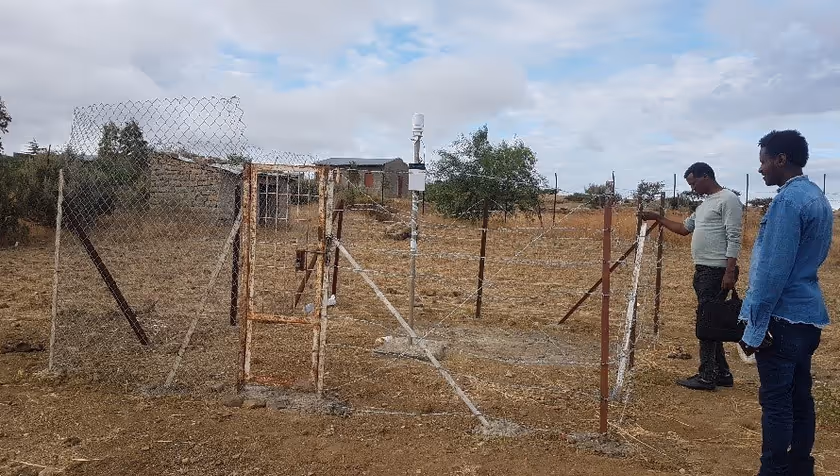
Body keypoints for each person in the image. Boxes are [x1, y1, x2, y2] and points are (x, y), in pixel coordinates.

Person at [738, 129, 833, 476]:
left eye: (763, 161)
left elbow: (772, 271)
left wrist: (755, 326)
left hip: (781, 319)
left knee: (777, 404)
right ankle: (800, 467)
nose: (760, 169)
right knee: (800, 400)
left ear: (780, 160)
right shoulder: (817, 198)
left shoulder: (788, 202)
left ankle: (774, 470)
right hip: (806, 317)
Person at [639, 162, 743, 391]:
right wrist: (658, 217)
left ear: (706, 176)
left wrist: (729, 271)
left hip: (716, 270)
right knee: (711, 319)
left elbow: (734, 237)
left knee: (706, 321)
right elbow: (684, 229)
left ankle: (707, 376)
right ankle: (722, 372)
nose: (693, 187)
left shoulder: (728, 200)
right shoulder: (706, 204)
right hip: (703, 270)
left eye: (694, 182)